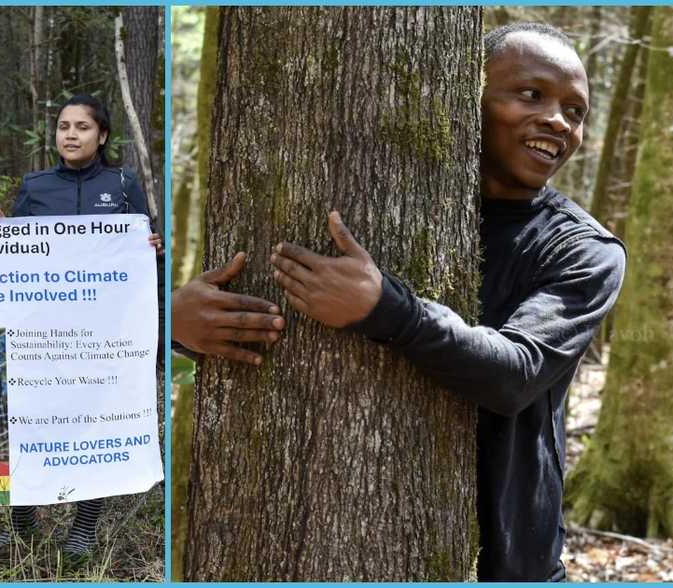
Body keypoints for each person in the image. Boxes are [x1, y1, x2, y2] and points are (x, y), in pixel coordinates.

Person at [179, 23, 627, 581]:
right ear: (468, 94)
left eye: (576, 111)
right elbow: (262, 311)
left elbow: (517, 373)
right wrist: (175, 326)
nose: (559, 121)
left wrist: (391, 311)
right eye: (531, 94)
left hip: (507, 563)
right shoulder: (325, 181)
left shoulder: (584, 251)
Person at [0, 93, 160, 561]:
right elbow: (11, 255)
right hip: (41, 333)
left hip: (105, 336)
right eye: (64, 126)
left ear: (102, 136)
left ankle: (82, 529)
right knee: (27, 424)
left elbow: (143, 253)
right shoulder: (35, 186)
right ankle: (20, 523)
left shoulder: (124, 184)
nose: (71, 135)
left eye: (82, 127)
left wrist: (152, 250)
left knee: (93, 427)